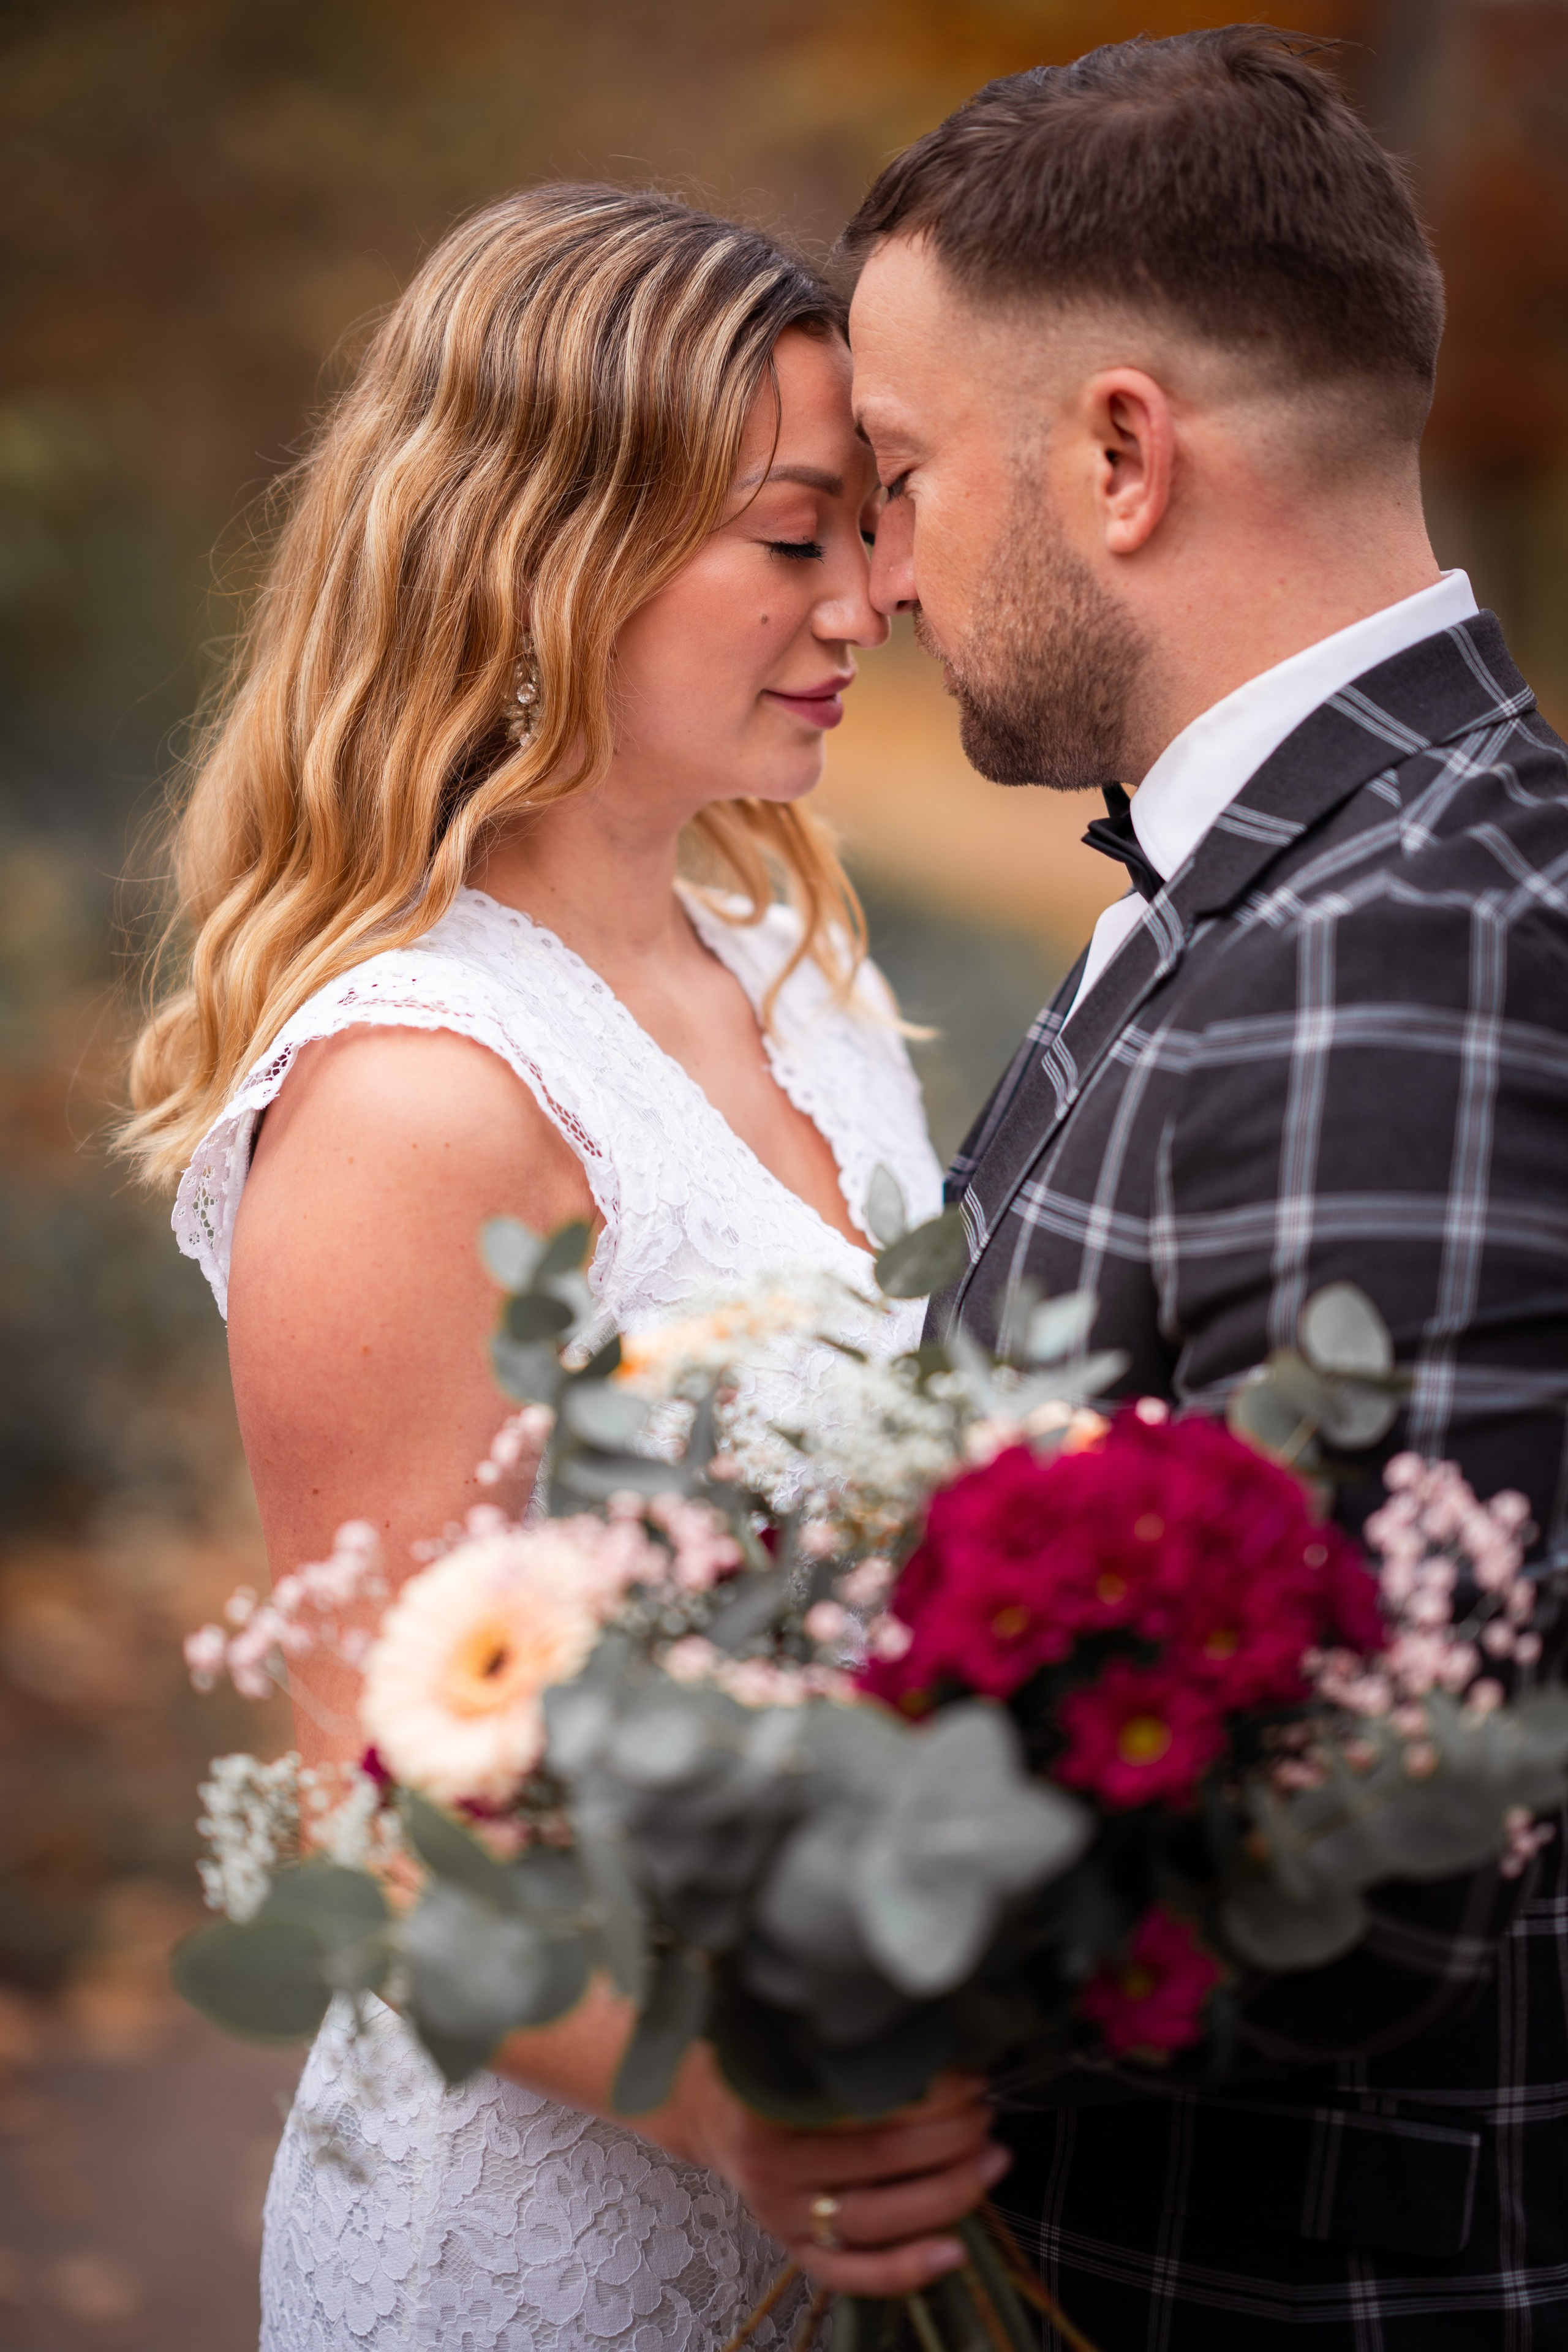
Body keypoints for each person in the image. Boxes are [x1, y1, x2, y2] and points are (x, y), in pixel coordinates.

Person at [123, 185, 1008, 2351]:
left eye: (866, 525)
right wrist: (725, 2104)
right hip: (548, 2249)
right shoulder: (421, 1094)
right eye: (791, 535)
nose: (865, 600)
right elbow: (367, 1840)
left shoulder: (795, 967)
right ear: (549, 544)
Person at [843, 26, 1568, 2350]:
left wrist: (792, 1902)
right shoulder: (1320, 874)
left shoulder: (1400, 952)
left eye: (903, 474)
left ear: (1121, 456)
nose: (885, 571)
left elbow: (1376, 1847)